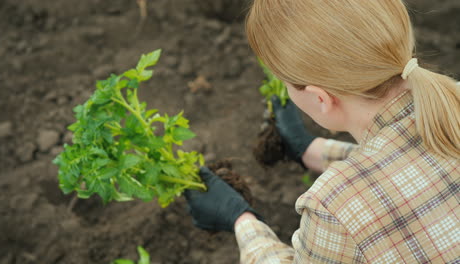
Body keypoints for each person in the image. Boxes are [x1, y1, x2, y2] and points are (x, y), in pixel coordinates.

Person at [185, 0, 460, 263]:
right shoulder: (449, 107)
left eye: (287, 85)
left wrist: (241, 220)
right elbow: (408, 165)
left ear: (321, 99)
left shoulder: (336, 208)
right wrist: (310, 149)